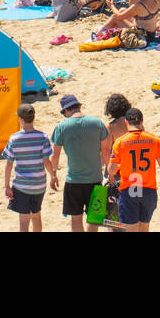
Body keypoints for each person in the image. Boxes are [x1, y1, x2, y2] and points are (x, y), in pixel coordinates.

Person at [48, 93, 109, 232]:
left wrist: (53, 175)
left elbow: (55, 155)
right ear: (78, 106)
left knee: (75, 219)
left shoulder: (62, 127)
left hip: (73, 180)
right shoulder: (97, 123)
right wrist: (110, 174)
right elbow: (106, 151)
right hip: (95, 179)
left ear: (66, 110)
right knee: (94, 218)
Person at [106, 107, 160, 231]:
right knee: (144, 227)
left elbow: (111, 170)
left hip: (129, 190)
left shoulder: (120, 142)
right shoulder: (154, 140)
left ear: (126, 122)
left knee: (131, 228)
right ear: (142, 121)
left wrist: (116, 167)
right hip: (148, 190)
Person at [3, 103, 55, 232]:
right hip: (39, 185)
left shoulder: (14, 139)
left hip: (22, 185)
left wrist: (7, 186)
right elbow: (46, 162)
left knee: (24, 220)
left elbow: (8, 164)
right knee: (36, 216)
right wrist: (53, 176)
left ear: (20, 119)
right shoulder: (42, 137)